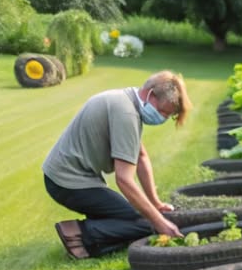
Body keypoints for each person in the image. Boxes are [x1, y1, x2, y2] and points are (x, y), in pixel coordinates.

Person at [43, 70, 193, 259]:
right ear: (150, 94)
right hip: (67, 182)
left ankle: (97, 227)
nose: (162, 118)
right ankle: (80, 234)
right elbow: (124, 180)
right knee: (144, 223)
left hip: (70, 177)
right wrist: (159, 222)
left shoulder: (126, 99)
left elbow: (141, 156)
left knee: (139, 215)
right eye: (163, 111)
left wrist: (155, 203)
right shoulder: (126, 113)